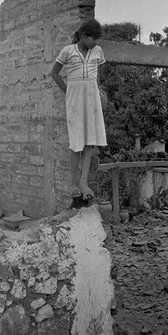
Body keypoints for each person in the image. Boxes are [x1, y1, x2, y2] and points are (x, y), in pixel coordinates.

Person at [49, 19, 107, 200]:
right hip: (74, 98)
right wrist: (68, 91)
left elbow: (98, 75)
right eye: (92, 38)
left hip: (91, 98)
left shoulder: (97, 51)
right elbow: (54, 72)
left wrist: (99, 91)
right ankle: (73, 183)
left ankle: (83, 182)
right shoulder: (68, 51)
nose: (94, 43)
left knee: (89, 141)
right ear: (83, 35)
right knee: (76, 141)